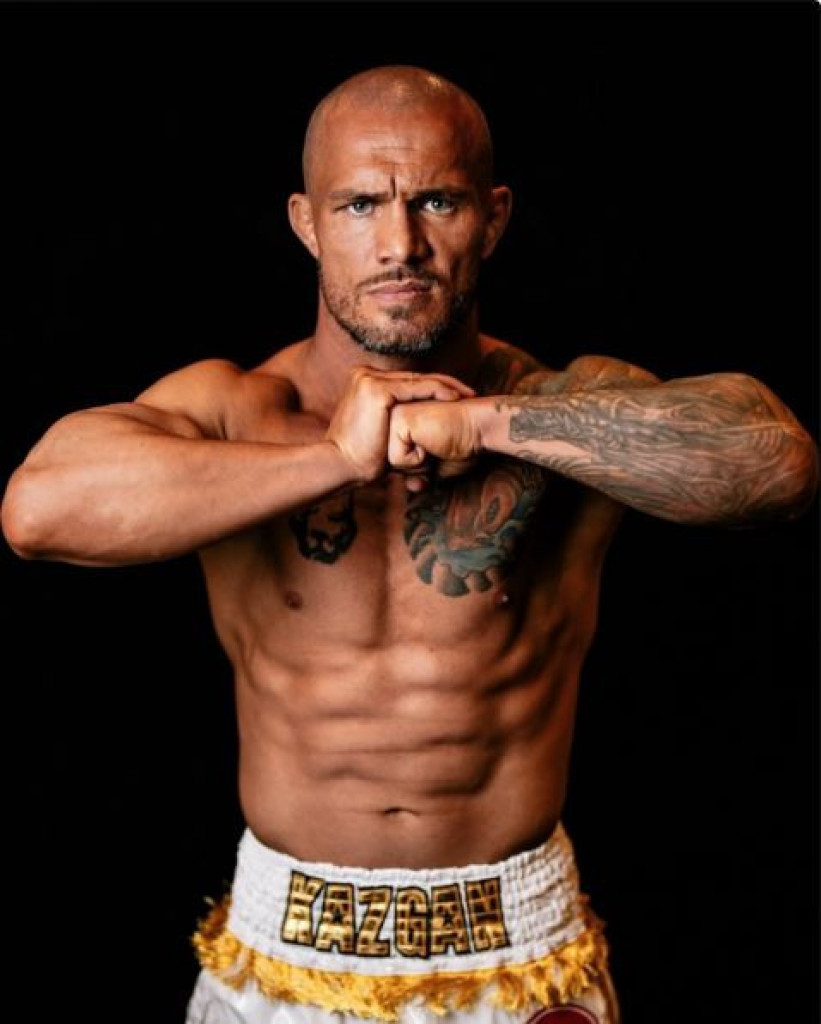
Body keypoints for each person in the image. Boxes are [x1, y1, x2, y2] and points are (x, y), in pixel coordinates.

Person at [1, 65, 817, 1024]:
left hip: (515, 955)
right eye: (359, 205)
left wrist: (488, 425)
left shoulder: (565, 405)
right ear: (307, 223)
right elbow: (38, 509)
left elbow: (776, 462)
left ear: (494, 217)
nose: (400, 244)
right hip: (282, 953)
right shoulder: (239, 411)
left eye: (437, 201)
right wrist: (335, 459)